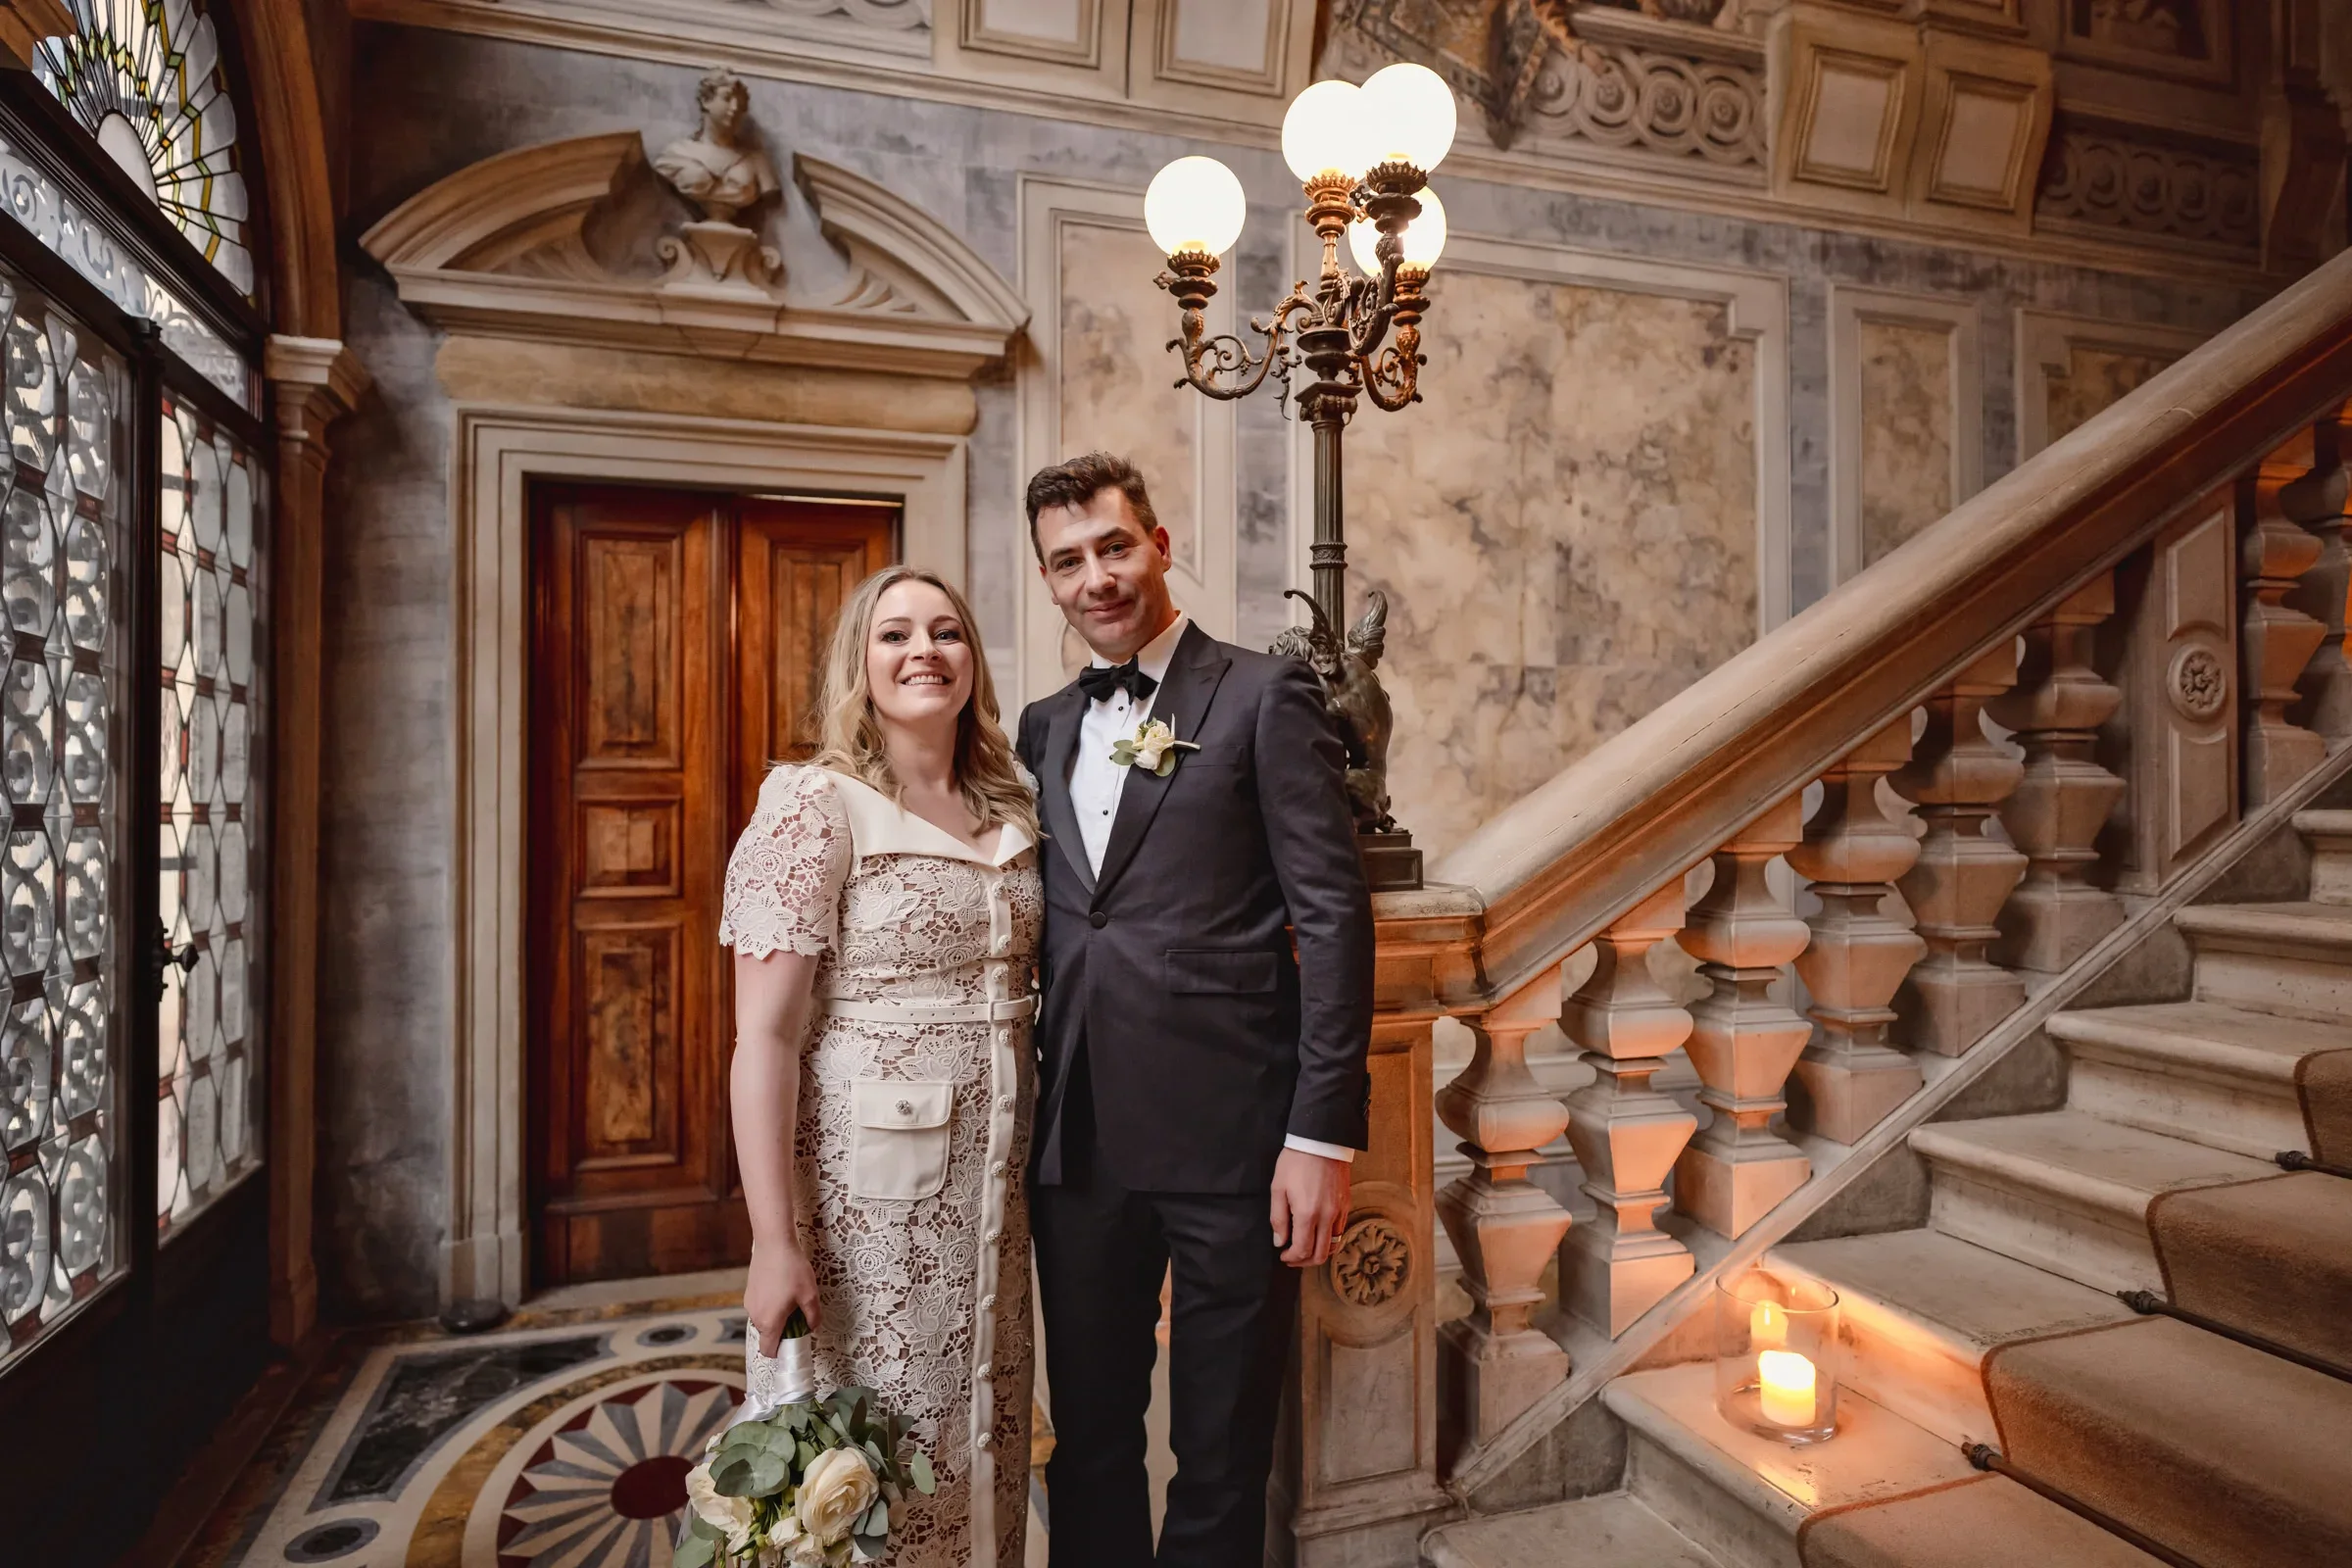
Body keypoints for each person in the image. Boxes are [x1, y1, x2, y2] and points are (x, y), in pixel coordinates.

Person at [1016, 452, 1374, 1566]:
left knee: (1222, 1451)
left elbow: (1333, 915)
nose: (1096, 579)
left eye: (1114, 547)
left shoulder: (1263, 694)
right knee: (1087, 1442)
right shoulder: (1040, 727)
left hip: (1235, 1142)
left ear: (1159, 546)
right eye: (1068, 562)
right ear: (1049, 581)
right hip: (1077, 1146)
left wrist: (1321, 1132)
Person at [720, 565, 1038, 1567]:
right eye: (895, 634)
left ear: (972, 659)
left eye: (946, 632)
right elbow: (764, 1038)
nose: (924, 652)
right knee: (872, 1452)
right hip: (871, 1208)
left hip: (997, 1202)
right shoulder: (816, 805)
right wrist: (774, 1239)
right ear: (861, 663)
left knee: (981, 1426)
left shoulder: (1010, 800)